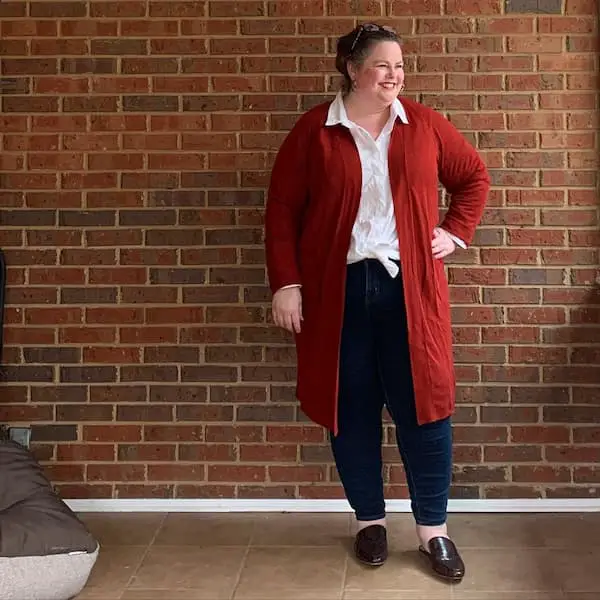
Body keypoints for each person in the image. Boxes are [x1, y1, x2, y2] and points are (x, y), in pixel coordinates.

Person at [264, 23, 490, 582]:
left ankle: (433, 531)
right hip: (335, 294)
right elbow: (281, 211)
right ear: (352, 68)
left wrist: (454, 233)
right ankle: (369, 521)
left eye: (400, 67)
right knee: (351, 411)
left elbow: (473, 178)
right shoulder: (314, 131)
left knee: (426, 409)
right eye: (383, 65)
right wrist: (286, 283)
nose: (394, 76)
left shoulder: (425, 126)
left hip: (409, 291)